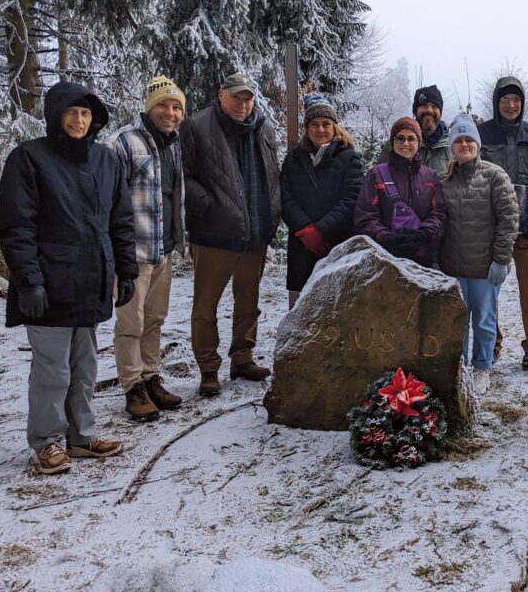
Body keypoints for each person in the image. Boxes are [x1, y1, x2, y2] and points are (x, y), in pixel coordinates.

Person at [0, 81, 137, 475]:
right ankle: (46, 442)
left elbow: (120, 220)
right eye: (72, 112)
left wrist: (126, 269)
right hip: (48, 282)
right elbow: (15, 225)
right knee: (52, 370)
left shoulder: (107, 160)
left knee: (85, 365)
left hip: (92, 278)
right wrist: (29, 280)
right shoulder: (29, 158)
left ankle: (81, 437)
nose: (79, 120)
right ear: (56, 115)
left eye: (86, 113)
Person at [180, 72, 281, 397]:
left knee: (248, 303)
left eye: (247, 97)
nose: (242, 103)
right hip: (214, 234)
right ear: (221, 94)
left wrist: (272, 216)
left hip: (255, 233)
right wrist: (206, 203)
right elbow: (183, 173)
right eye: (236, 97)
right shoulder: (197, 126)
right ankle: (209, 368)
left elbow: (272, 173)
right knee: (205, 307)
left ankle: (242, 358)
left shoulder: (264, 127)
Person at [105, 76, 187, 422]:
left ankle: (151, 376)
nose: (170, 112)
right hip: (132, 252)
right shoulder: (122, 142)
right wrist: (115, 252)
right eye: (163, 105)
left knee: (154, 319)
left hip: (163, 249)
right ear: (149, 107)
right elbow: (106, 200)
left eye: (176, 106)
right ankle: (132, 386)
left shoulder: (173, 145)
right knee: (130, 323)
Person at [438, 117, 519, 395]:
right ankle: (458, 366)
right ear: (452, 146)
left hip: (485, 268)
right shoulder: (444, 180)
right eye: (458, 141)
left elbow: (508, 220)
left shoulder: (495, 176)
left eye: (468, 140)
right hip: (453, 267)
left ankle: (482, 366)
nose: (464, 145)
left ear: (477, 144)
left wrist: (501, 259)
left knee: (484, 320)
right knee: (457, 321)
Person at [478, 76, 528, 369]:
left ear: (522, 104)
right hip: (490, 228)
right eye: (505, 99)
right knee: (488, 288)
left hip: (526, 229)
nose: (511, 105)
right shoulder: (481, 134)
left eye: (516, 100)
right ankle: (491, 342)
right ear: (497, 102)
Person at [280, 94, 363, 307]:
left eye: (326, 124)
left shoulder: (348, 158)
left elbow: (352, 199)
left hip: (335, 242)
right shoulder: (293, 159)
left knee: (337, 303)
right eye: (314, 124)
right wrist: (306, 230)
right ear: (307, 128)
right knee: (304, 307)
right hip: (303, 244)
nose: (320, 129)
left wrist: (320, 231)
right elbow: (285, 197)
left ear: (334, 126)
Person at [354, 117, 447, 266]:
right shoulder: (376, 174)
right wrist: (386, 238)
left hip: (422, 261)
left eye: (411, 139)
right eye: (400, 138)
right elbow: (365, 215)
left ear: (419, 142)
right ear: (392, 142)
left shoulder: (430, 176)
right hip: (383, 259)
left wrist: (424, 234)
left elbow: (439, 213)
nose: (405, 144)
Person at [376, 85, 452, 175]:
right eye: (424, 105)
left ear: (440, 112)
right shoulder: (396, 143)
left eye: (434, 106)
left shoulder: (453, 146)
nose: (429, 110)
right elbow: (377, 179)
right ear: (415, 111)